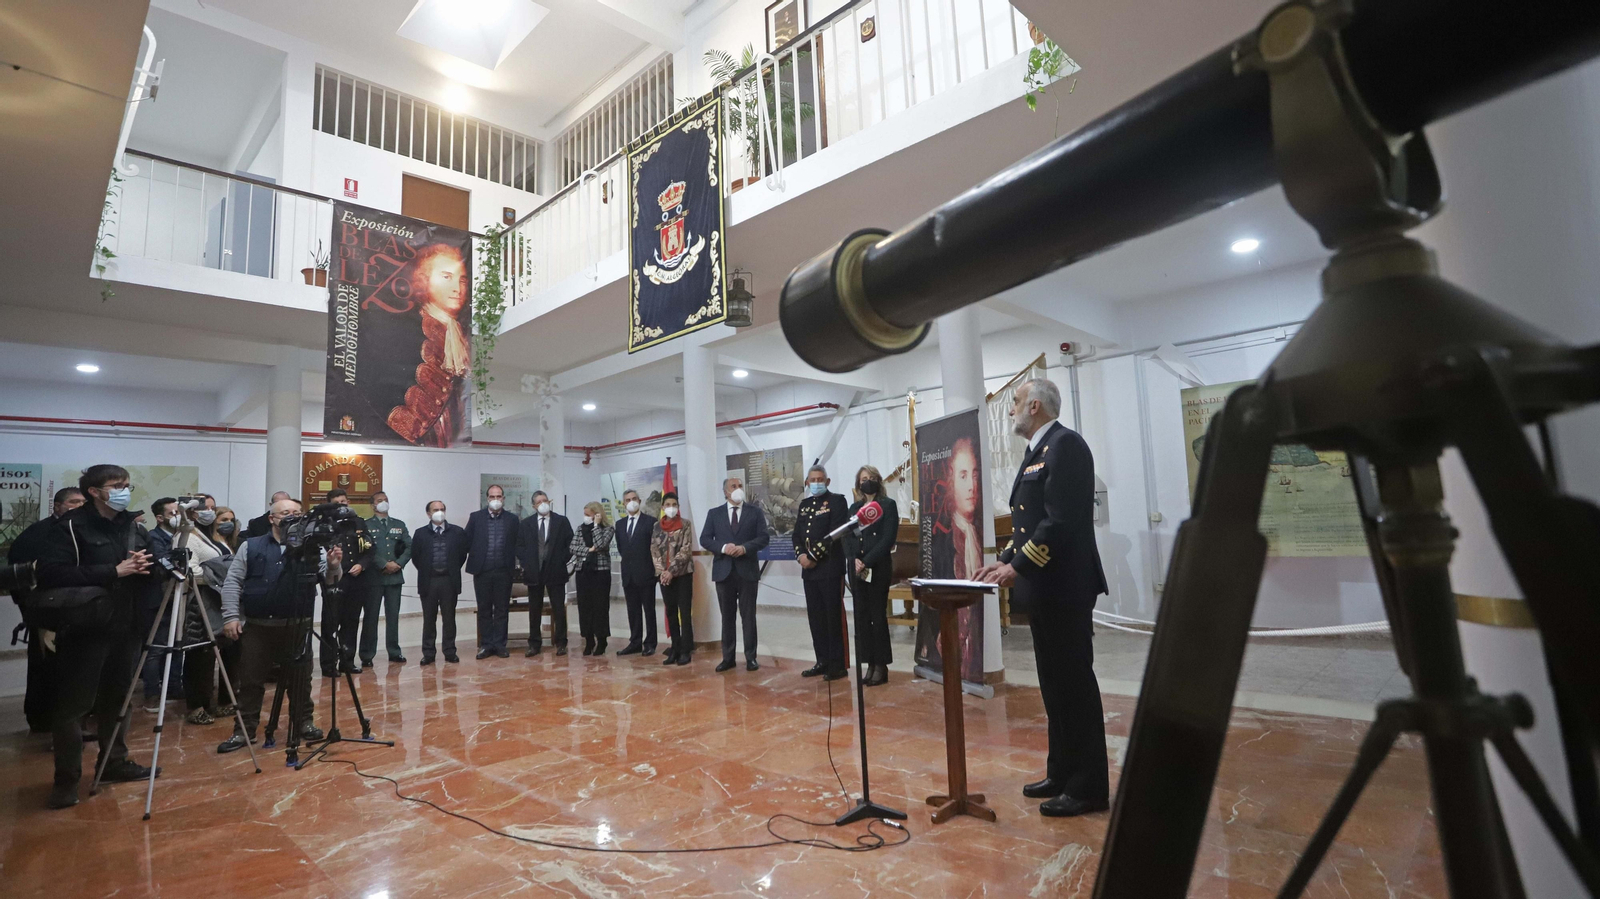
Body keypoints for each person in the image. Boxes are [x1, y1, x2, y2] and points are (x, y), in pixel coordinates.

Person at [977, 377, 1110, 819]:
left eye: (1015, 401)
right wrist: (1006, 561)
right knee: (1054, 688)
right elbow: (1028, 524)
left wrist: (1019, 566)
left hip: (1065, 587)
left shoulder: (1065, 445)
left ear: (1034, 405)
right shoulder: (1038, 451)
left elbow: (1061, 522)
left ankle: (1088, 786)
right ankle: (1062, 771)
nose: (1011, 408)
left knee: (1074, 686)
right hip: (1044, 587)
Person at [33, 465, 159, 809]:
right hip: (85, 628)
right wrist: (112, 571)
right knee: (74, 706)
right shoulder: (70, 528)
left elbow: (150, 570)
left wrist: (151, 566)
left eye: (127, 485)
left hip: (127, 625)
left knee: (119, 700)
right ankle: (66, 779)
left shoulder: (133, 527)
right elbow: (51, 574)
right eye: (116, 486)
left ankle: (114, 762)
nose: (124, 491)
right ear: (93, 491)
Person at [216, 497, 335, 754]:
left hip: (297, 625)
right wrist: (230, 617)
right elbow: (233, 582)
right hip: (258, 627)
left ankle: (304, 722)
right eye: (285, 513)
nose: (291, 517)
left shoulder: (314, 548)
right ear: (272, 519)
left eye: (297, 512)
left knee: (300, 680)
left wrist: (335, 565)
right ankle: (243, 730)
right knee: (250, 681)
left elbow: (329, 579)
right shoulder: (251, 546)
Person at [8, 487, 85, 734]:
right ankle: (43, 721)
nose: (79, 506)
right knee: (46, 668)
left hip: (74, 609)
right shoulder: (39, 533)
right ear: (58, 506)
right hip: (45, 611)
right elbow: (21, 574)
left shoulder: (77, 530)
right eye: (74, 501)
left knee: (72, 669)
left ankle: (69, 723)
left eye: (83, 502)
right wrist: (31, 609)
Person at [384, 243, 471, 447]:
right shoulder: (408, 331)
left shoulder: (458, 335)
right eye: (446, 277)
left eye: (462, 280)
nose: (457, 289)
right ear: (425, 280)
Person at [700, 477, 768, 672]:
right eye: (733, 486)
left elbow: (763, 538)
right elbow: (705, 539)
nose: (738, 489)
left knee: (749, 617)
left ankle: (750, 657)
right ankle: (728, 657)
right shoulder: (714, 514)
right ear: (725, 492)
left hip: (747, 571)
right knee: (727, 617)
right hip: (724, 572)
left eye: (740, 486)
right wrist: (722, 547)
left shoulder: (755, 512)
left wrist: (745, 548)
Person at [843, 465, 897, 687]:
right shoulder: (854, 508)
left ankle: (881, 665)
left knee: (878, 617)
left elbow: (887, 539)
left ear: (878, 480)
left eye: (872, 478)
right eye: (864, 478)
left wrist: (866, 560)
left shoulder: (887, 505)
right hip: (857, 569)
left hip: (878, 567)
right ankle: (869, 663)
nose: (868, 481)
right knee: (862, 618)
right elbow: (847, 537)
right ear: (858, 483)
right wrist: (853, 559)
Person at [794, 465, 849, 681]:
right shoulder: (805, 505)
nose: (816, 483)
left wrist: (813, 557)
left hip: (829, 568)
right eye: (812, 479)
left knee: (832, 617)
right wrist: (800, 555)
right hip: (809, 572)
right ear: (807, 483)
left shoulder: (837, 501)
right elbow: (797, 534)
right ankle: (822, 660)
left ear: (827, 481)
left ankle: (837, 665)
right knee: (815, 617)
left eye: (820, 479)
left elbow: (834, 534)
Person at [318, 488, 372, 676]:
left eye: (344, 501)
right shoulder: (324, 525)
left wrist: (362, 565)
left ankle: (347, 661)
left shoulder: (358, 522)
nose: (342, 505)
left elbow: (369, 548)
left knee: (351, 622)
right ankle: (328, 664)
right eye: (337, 503)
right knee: (330, 624)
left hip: (356, 580)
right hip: (335, 580)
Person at [142, 497, 187, 712]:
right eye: (173, 513)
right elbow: (162, 563)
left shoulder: (182, 538)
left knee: (177, 645)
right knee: (157, 648)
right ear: (160, 518)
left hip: (179, 597)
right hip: (158, 598)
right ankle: (151, 693)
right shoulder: (153, 537)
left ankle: (174, 688)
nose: (177, 517)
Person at [465, 484, 518, 659]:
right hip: (482, 571)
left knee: (502, 609)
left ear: (503, 498)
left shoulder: (512, 519)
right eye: (492, 497)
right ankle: (486, 645)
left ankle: (500, 645)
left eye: (499, 497)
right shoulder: (476, 518)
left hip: (504, 571)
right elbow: (467, 541)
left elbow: (517, 544)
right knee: (484, 609)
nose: (496, 500)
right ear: (487, 499)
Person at [358, 491, 411, 667]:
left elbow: (409, 547)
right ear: (373, 505)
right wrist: (383, 564)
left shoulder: (399, 524)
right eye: (379, 501)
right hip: (373, 578)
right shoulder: (366, 526)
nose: (383, 503)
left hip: (395, 578)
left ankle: (394, 651)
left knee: (393, 617)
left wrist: (398, 563)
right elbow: (367, 549)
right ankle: (367, 654)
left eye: (386, 500)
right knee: (371, 617)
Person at [411, 501, 467, 664]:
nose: (439, 512)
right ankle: (428, 653)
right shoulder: (420, 533)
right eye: (435, 510)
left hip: (449, 581)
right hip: (428, 581)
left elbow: (462, 555)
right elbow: (416, 557)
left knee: (449, 618)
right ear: (428, 513)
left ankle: (450, 651)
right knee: (429, 619)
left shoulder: (457, 532)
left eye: (442, 509)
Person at [517, 490, 573, 656]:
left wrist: (560, 559)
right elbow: (519, 546)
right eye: (539, 501)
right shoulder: (526, 524)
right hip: (534, 572)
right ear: (534, 506)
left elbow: (570, 543)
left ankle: (561, 642)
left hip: (556, 571)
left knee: (558, 608)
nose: (543, 504)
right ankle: (534, 643)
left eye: (545, 500)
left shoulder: (561, 521)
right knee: (534, 609)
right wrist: (527, 562)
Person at [613, 488, 658, 656]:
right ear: (624, 504)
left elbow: (654, 548)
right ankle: (635, 642)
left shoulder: (651, 522)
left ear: (639, 501)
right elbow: (622, 548)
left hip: (646, 573)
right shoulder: (620, 524)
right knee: (633, 611)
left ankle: (651, 643)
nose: (631, 502)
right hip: (628, 574)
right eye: (627, 499)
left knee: (649, 610)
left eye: (634, 498)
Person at [651, 492, 694, 666]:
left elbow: (685, 550)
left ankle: (685, 650)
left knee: (684, 612)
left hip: (682, 574)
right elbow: (654, 550)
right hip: (664, 577)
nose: (671, 507)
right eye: (668, 504)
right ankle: (675, 648)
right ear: (662, 507)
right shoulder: (656, 527)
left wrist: (671, 571)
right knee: (670, 612)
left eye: (674, 504)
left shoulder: (685, 524)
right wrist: (662, 572)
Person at [568, 502, 613, 656]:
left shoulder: (608, 529)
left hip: (600, 572)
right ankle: (588, 640)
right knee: (585, 607)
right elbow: (573, 547)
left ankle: (602, 640)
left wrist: (596, 526)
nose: (586, 517)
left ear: (597, 514)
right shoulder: (580, 529)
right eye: (585, 514)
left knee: (600, 607)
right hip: (583, 572)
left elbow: (601, 544)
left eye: (589, 514)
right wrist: (589, 550)